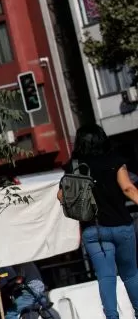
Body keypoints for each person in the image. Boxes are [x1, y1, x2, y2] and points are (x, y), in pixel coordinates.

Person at [59, 123, 138, 319]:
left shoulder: (74, 165)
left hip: (93, 230)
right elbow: (128, 188)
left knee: (105, 276)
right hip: (121, 226)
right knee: (130, 274)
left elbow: (61, 195)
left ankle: (111, 316)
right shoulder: (115, 160)